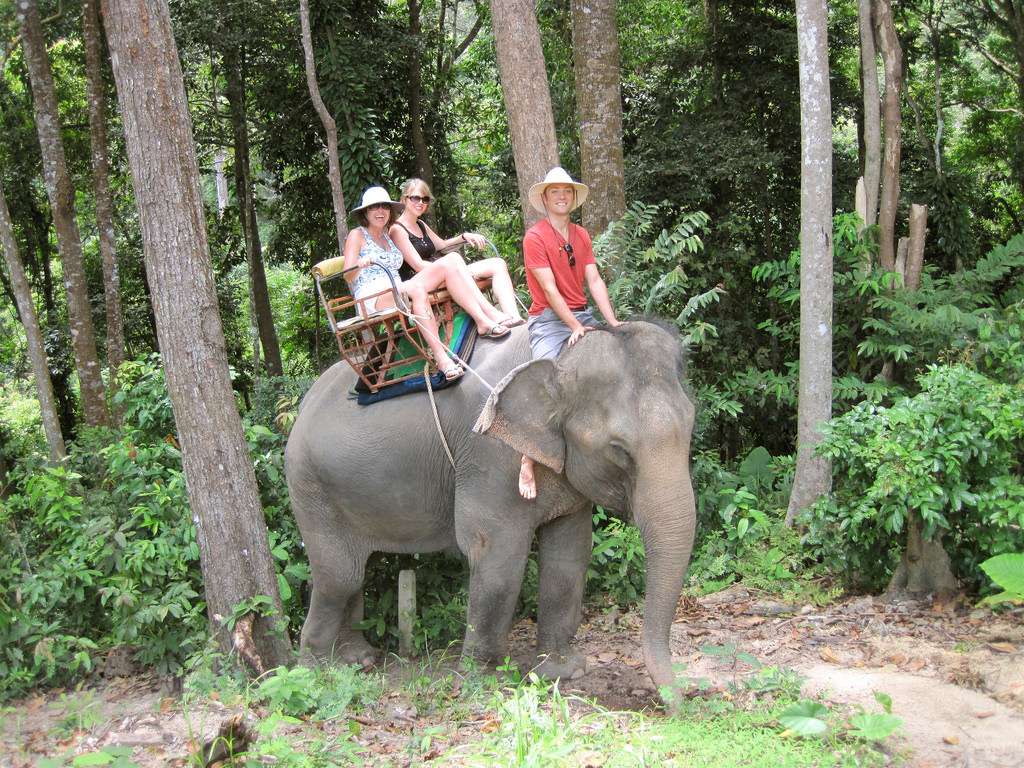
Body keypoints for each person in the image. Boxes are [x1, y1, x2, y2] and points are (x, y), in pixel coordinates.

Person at [517, 167, 622, 499]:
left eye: (567, 191)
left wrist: (613, 322)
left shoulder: (581, 235)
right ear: (545, 199)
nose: (562, 196)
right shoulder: (534, 237)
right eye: (555, 191)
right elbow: (548, 290)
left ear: (573, 198)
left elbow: (594, 280)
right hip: (549, 320)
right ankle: (527, 459)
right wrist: (574, 328)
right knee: (546, 380)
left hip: (582, 313)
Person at [343, 187, 508, 381]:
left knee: (452, 260)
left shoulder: (388, 234)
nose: (380, 212)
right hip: (373, 294)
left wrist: (463, 237)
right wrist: (359, 264)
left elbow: (442, 245)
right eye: (374, 208)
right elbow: (347, 275)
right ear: (365, 212)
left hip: (397, 286)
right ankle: (442, 359)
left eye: (384, 207)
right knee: (415, 287)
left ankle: (482, 319)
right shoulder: (358, 235)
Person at [390, 178, 525, 332]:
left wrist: (464, 237)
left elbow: (442, 245)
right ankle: (490, 314)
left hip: (446, 270)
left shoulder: (421, 224)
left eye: (425, 199)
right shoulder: (397, 229)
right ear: (404, 199)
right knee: (454, 259)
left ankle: (513, 317)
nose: (420, 202)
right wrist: (453, 268)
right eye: (415, 198)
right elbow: (418, 265)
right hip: (420, 281)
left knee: (498, 264)